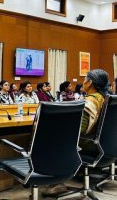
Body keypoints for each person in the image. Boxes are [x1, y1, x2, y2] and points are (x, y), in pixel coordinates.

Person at [42, 69, 109, 197]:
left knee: (52, 137)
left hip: (89, 144)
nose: (82, 82)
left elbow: (78, 130)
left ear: (89, 82)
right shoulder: (104, 98)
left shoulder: (90, 102)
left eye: (84, 79)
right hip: (104, 145)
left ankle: (56, 182)